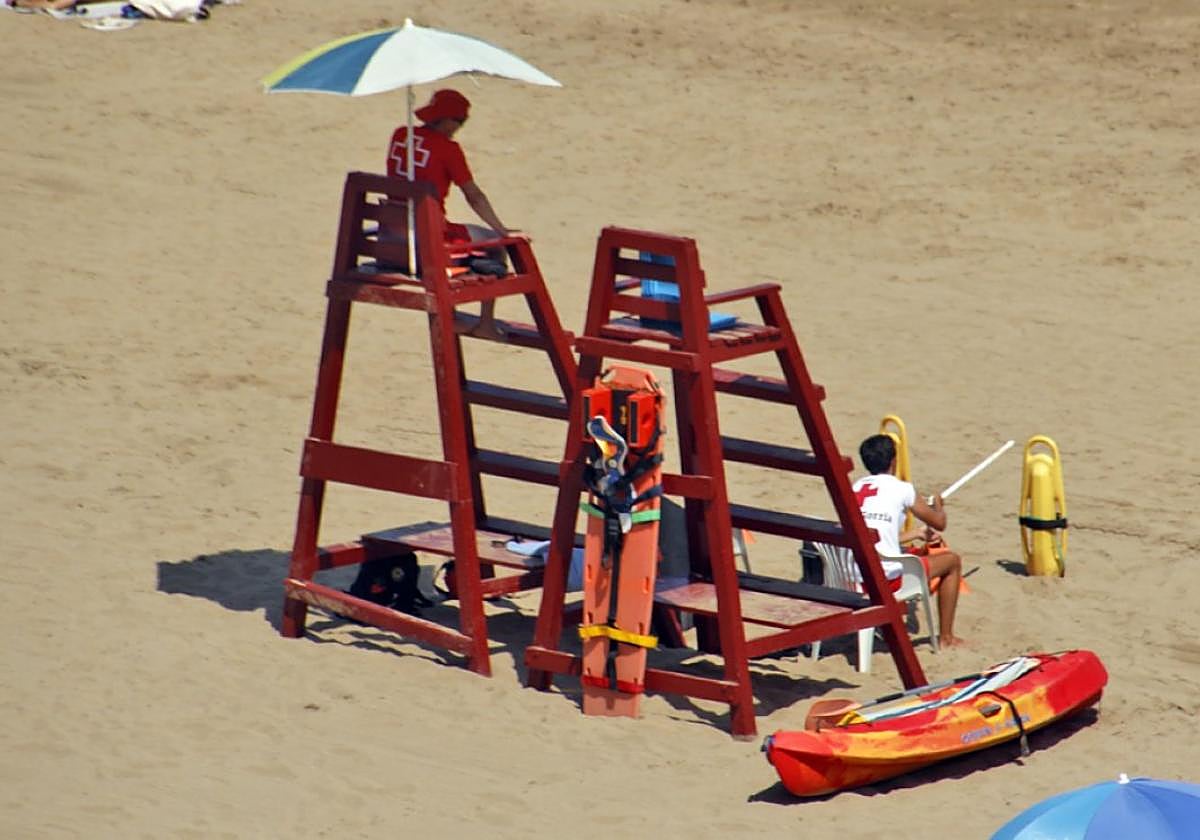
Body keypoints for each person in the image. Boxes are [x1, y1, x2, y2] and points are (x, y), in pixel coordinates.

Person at [386, 88, 518, 340]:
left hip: (394, 234)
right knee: (494, 243)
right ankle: (486, 324)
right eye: (459, 121)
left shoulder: (401, 135)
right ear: (446, 120)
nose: (460, 127)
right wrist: (503, 230)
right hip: (431, 240)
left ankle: (454, 315)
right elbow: (473, 195)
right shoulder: (448, 149)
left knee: (470, 239)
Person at [853, 433, 966, 647]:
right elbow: (940, 523)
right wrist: (938, 506)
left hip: (849, 574)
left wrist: (914, 533)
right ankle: (946, 637)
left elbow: (875, 535)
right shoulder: (903, 489)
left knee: (910, 550)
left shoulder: (855, 487)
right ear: (894, 461)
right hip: (881, 579)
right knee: (952, 561)